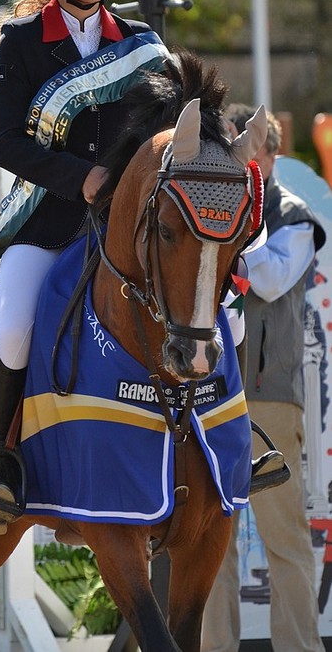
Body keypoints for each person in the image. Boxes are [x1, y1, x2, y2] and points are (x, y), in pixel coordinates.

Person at [0, 0, 163, 531]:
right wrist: (83, 178)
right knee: (16, 320)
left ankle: (226, 442)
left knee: (211, 310)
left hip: (125, 226)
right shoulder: (23, 42)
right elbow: (5, 143)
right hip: (48, 221)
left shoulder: (140, 44)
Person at [201, 107, 325, 652]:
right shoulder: (213, 211)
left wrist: (230, 232)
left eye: (248, 147)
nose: (239, 157)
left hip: (270, 399)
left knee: (285, 542)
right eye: (230, 146)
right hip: (215, 397)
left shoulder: (294, 217)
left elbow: (269, 280)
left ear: (271, 155)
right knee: (210, 544)